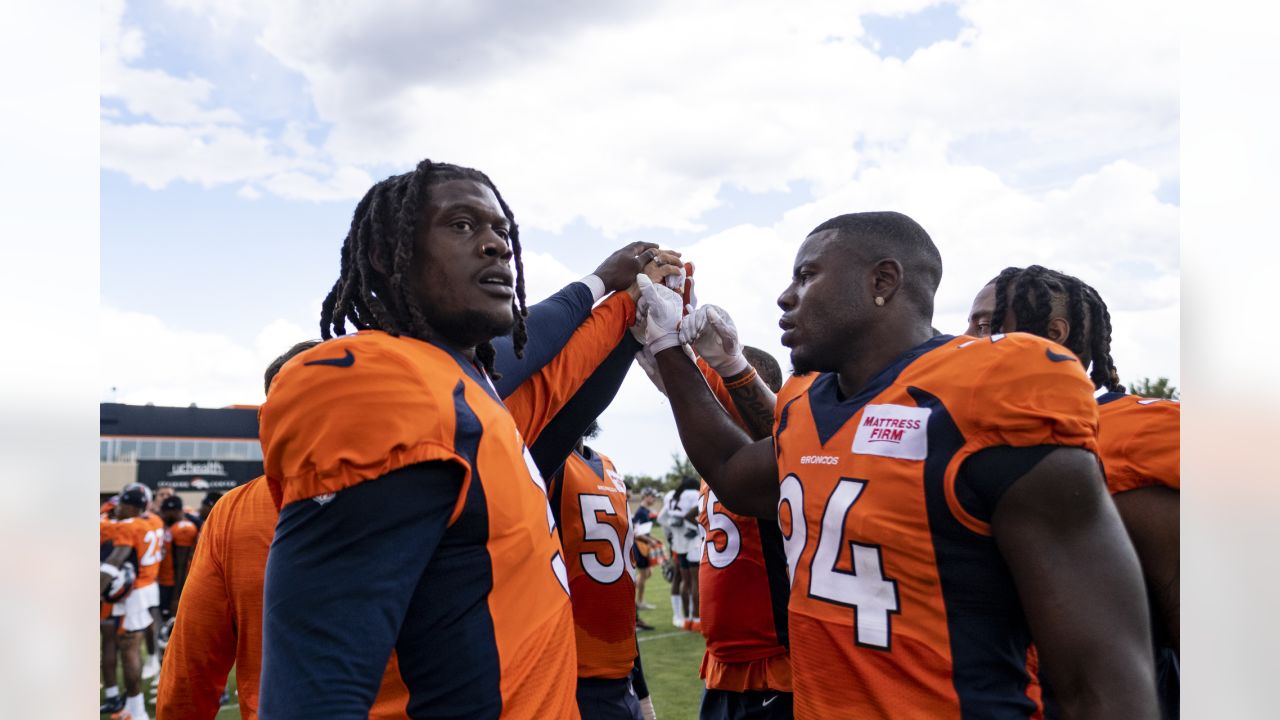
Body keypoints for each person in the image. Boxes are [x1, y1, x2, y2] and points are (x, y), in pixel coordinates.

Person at [635, 211, 1158, 718]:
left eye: (807, 274)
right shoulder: (807, 398)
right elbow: (732, 473)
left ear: (882, 280)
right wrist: (667, 347)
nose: (786, 295)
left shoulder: (988, 389)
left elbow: (1098, 681)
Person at [256, 159, 681, 718]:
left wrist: (631, 307)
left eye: (501, 231)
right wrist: (605, 283)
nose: (495, 246)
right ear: (386, 255)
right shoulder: (378, 380)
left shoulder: (468, 391)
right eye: (461, 225)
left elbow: (562, 375)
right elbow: (317, 691)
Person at [965, 264, 1180, 718]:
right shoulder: (963, 432)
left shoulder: (1139, 431)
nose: (964, 338)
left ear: (1053, 332)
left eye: (985, 325)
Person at [546, 422, 646, 720]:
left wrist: (642, 688)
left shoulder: (608, 465)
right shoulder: (547, 461)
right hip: (575, 671)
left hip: (621, 669)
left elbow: (620, 588)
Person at [101, 486, 161, 720]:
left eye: (123, 505)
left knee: (129, 650)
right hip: (148, 586)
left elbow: (115, 560)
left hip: (134, 593)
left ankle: (137, 712)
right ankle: (133, 708)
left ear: (132, 506)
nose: (118, 509)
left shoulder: (130, 525)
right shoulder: (154, 521)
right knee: (130, 646)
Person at [659, 475, 701, 629]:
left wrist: (670, 536)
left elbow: (662, 518)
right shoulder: (693, 495)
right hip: (692, 543)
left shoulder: (672, 495)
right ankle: (697, 620)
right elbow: (691, 516)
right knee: (696, 582)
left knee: (684, 581)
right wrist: (697, 529)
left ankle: (687, 619)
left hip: (678, 545)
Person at [157, 494, 198, 620]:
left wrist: (176, 596)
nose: (162, 516)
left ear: (174, 511)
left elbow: (181, 565)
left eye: (165, 512)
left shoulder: (184, 528)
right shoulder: (174, 526)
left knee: (169, 621)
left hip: (172, 585)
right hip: (166, 581)